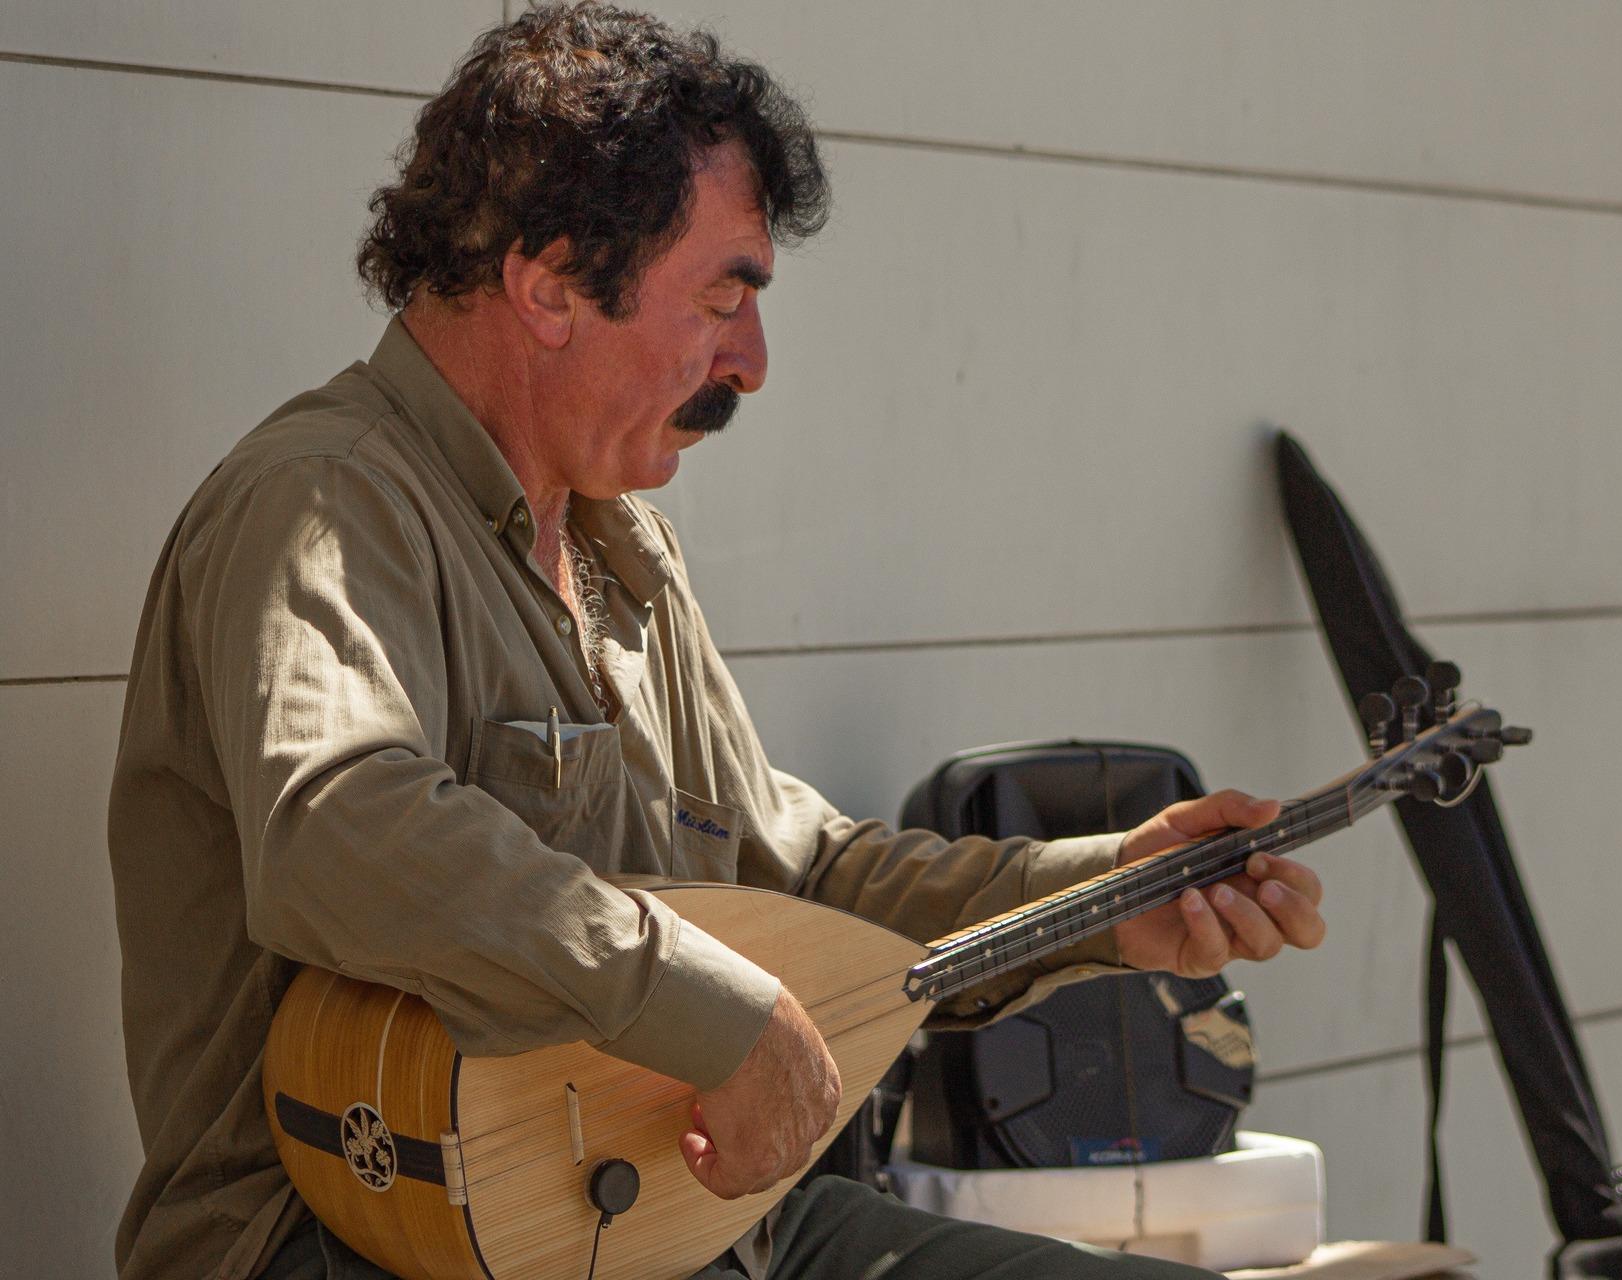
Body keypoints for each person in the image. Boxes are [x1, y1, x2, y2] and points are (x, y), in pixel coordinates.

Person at [106, 7, 1327, 1279]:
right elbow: (341, 826)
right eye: (722, 296)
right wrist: (707, 1009)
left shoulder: (620, 545)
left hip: (697, 1230)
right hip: (365, 1243)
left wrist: (1107, 895)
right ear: (549, 282)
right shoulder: (322, 500)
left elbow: (799, 878)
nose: (750, 361)